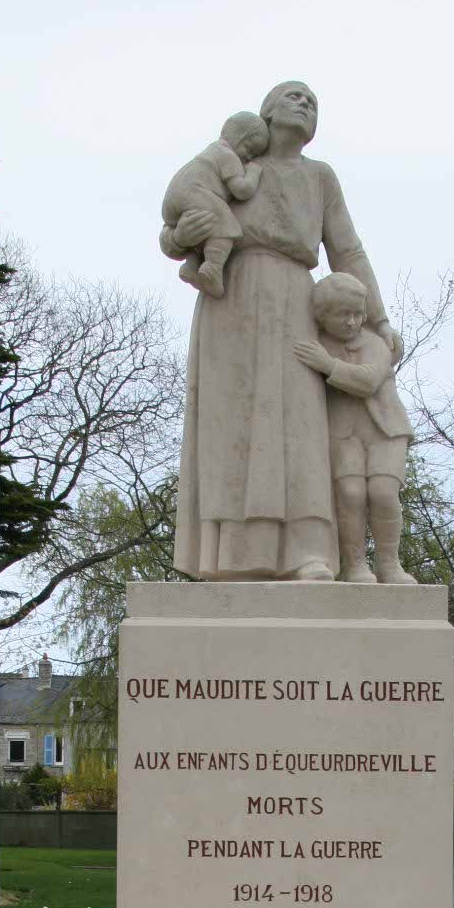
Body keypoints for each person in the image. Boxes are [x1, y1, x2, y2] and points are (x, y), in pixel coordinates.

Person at [161, 81, 401, 581]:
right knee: (230, 426)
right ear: (267, 111)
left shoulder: (320, 178)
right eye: (294, 96)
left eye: (313, 101)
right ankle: (227, 558)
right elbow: (178, 216)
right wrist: (177, 236)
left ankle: (307, 552)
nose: (305, 104)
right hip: (229, 296)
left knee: (300, 426)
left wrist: (377, 319)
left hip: (296, 299)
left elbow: (347, 250)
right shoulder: (232, 163)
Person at [294, 272, 416, 585]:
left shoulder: (375, 344)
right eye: (343, 314)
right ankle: (355, 564)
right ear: (322, 316)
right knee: (350, 494)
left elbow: (368, 381)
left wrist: (329, 365)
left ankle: (390, 564)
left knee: (384, 492)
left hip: (385, 430)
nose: (352, 322)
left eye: (358, 313)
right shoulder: (316, 345)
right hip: (342, 432)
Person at [161, 112, 269, 299]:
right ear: (239, 138)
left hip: (173, 200)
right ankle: (212, 268)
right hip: (194, 192)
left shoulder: (211, 151)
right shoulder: (227, 155)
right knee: (224, 224)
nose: (249, 157)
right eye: (249, 149)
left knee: (207, 228)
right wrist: (253, 173)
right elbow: (242, 190)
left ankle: (192, 265)